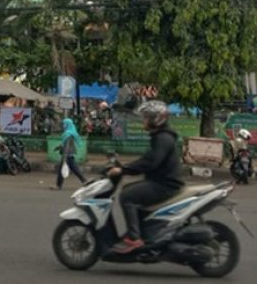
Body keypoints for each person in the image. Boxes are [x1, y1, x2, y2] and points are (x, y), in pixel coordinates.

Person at [106, 100, 184, 254]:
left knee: (127, 195)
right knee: (133, 191)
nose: (144, 120)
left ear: (156, 119)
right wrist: (126, 167)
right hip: (162, 182)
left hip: (165, 185)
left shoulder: (163, 138)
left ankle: (135, 238)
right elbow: (147, 160)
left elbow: (150, 163)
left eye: (146, 117)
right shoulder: (161, 136)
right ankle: (142, 232)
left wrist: (123, 170)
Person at [53, 118, 87, 190]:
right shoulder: (69, 133)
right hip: (69, 155)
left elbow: (67, 146)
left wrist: (64, 157)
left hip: (67, 154)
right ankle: (85, 181)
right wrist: (59, 147)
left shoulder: (68, 134)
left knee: (61, 170)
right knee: (75, 169)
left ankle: (58, 186)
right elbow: (65, 144)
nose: (63, 126)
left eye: (64, 124)